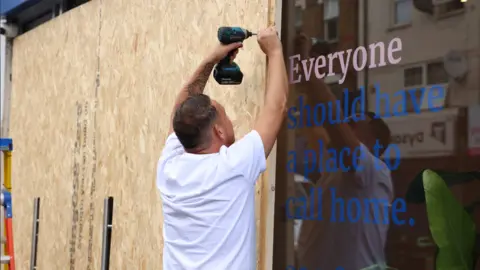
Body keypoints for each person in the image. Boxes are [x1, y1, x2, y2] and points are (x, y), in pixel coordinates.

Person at [156, 26, 289, 270]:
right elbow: (277, 107)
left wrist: (211, 59)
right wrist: (275, 51)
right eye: (227, 117)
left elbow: (181, 109)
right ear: (218, 131)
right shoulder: (232, 167)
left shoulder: (168, 169)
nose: (232, 122)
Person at [294, 33, 394, 270]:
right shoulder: (337, 168)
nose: (346, 124)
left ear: (371, 138)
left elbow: (331, 118)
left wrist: (308, 67)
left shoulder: (371, 168)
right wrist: (310, 81)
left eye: (353, 123)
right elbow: (313, 126)